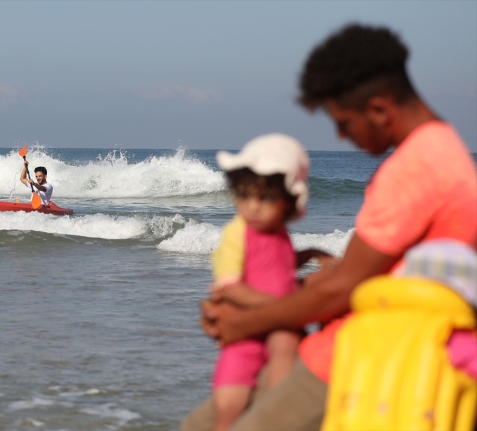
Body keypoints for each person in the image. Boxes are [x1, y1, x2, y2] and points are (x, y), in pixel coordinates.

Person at [181, 23, 477, 431]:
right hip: (357, 344)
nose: (340, 135)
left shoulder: (417, 168)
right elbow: (373, 273)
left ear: (378, 110)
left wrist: (243, 323)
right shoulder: (442, 153)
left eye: (343, 121)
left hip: (359, 359)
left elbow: (346, 288)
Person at [209, 134, 333, 431]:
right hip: (246, 329)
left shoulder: (279, 234)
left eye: (265, 198)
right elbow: (229, 285)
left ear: (289, 203)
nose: (253, 207)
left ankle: (276, 410)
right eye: (244, 196)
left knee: (285, 346)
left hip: (279, 325)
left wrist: (314, 253)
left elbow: (281, 264)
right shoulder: (237, 233)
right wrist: (282, 305)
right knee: (227, 409)